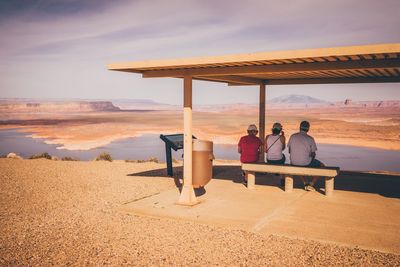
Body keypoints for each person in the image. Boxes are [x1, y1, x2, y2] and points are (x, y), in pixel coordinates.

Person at [288, 120, 324, 191]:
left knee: (299, 164)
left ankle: (305, 182)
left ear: (299, 127)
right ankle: (311, 183)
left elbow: (289, 151)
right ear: (308, 129)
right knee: (322, 166)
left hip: (293, 162)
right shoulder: (310, 138)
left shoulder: (292, 136)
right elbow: (313, 154)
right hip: (305, 162)